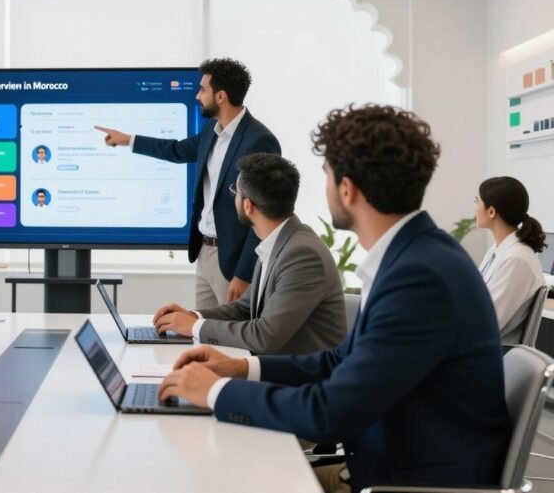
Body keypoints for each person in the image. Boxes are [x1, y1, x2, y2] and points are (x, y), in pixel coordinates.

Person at [157, 105, 510, 493]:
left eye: (325, 175)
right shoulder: (416, 256)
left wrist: (213, 391)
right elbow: (337, 361)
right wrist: (240, 370)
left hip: (405, 483)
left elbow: (330, 413)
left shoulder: (419, 278)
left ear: (347, 189)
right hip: (383, 467)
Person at [96, 58, 280, 309]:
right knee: (202, 332)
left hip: (232, 260)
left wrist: (244, 272)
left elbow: (266, 212)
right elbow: (176, 150)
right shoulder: (211, 131)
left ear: (221, 96)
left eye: (203, 89)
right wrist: (128, 139)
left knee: (233, 338)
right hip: (204, 251)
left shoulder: (259, 141)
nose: (197, 95)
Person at [152, 153, 346, 354]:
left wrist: (192, 328)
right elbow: (243, 309)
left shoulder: (302, 255)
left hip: (300, 380)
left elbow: (263, 336)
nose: (234, 196)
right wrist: (194, 317)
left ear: (248, 205)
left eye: (235, 191)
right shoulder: (279, 241)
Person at [474, 176, 547, 342]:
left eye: (477, 202)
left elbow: (486, 321)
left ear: (491, 211)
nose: (475, 208)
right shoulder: (497, 251)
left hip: (492, 355)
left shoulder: (517, 258)